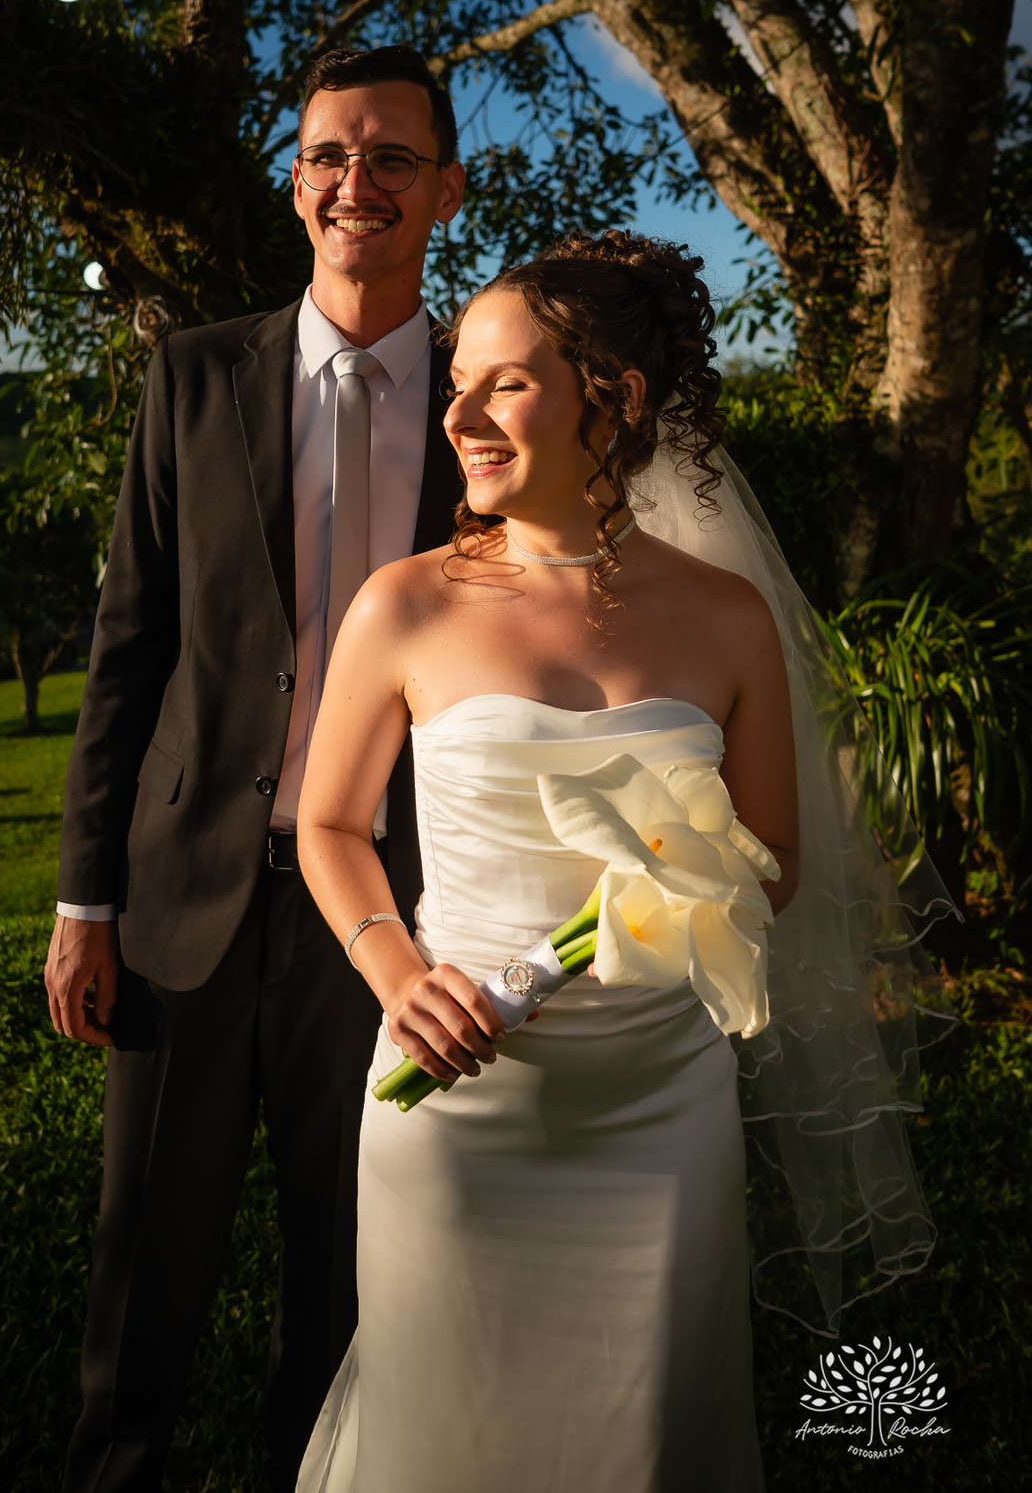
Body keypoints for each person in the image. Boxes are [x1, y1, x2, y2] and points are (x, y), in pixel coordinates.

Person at [295, 230, 794, 1490]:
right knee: (447, 1426)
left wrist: (660, 896)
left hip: (659, 1107)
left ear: (613, 399)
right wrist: (399, 976)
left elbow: (774, 861)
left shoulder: (728, 616)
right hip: (459, 1097)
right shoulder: (403, 604)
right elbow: (331, 825)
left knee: (647, 1429)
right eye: (458, 379)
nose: (458, 409)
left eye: (502, 382)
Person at [43, 43, 466, 1493]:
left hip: (396, 911)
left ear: (447, 188)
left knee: (348, 1260)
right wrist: (83, 900)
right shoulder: (194, 372)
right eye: (330, 154)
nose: (360, 182)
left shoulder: (499, 401)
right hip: (184, 899)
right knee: (144, 1256)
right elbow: (129, 645)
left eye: (393, 156)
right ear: (296, 184)